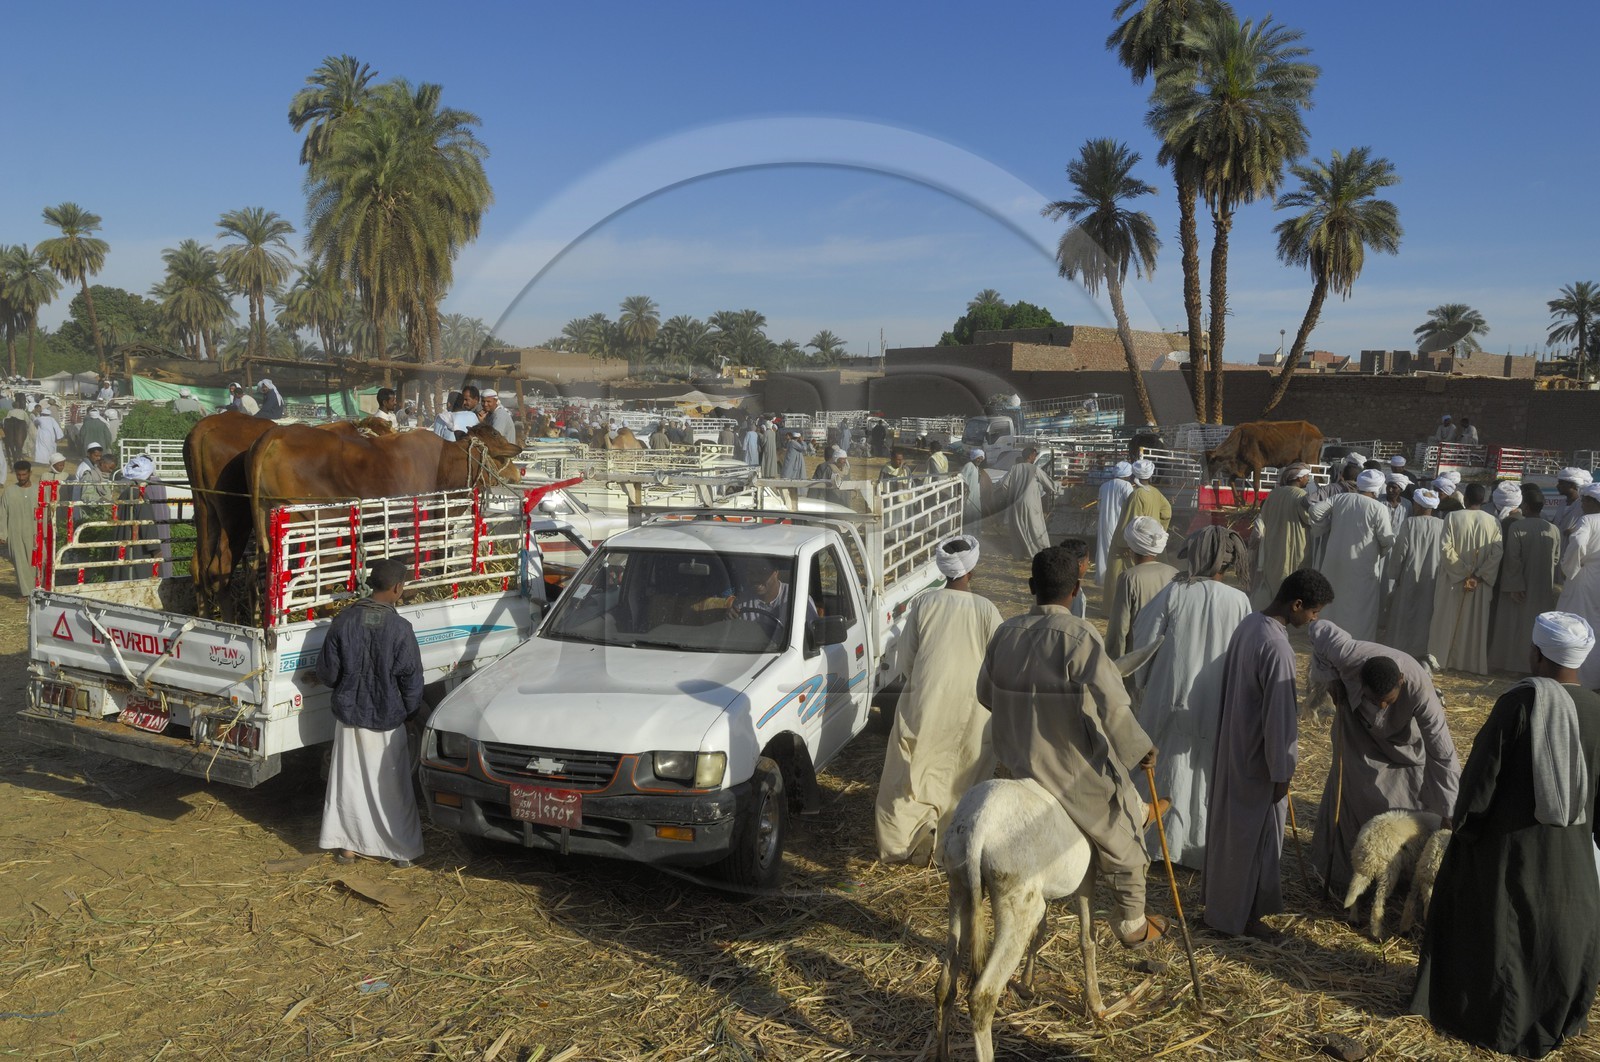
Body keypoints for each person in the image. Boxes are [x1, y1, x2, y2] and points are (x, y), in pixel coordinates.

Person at [1410, 612, 1600, 1059]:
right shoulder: (1597, 709)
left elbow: (1480, 782)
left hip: (1507, 849)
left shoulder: (1519, 703)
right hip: (1573, 853)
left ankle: (1487, 1015)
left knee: (1483, 914)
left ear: (1535, 652)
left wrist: (1465, 828)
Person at [978, 545, 1169, 948]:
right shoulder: (1079, 635)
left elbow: (984, 695)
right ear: (1078, 589)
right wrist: (1141, 749)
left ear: (1031, 587)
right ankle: (1131, 922)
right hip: (1064, 769)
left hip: (1013, 761)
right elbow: (1113, 707)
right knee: (1125, 837)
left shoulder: (1004, 633)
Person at [1203, 568, 1335, 941]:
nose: (1314, 619)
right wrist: (1282, 771)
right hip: (1259, 760)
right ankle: (1242, 919)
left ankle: (1226, 908)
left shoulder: (1249, 625)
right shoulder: (1278, 648)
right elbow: (1280, 721)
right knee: (1255, 839)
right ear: (1296, 604)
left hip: (1234, 745)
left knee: (1234, 833)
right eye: (1313, 611)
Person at [1127, 526, 1253, 869]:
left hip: (1171, 694)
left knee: (1165, 763)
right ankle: (1198, 848)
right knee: (1205, 768)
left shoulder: (1176, 592)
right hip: (1217, 701)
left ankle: (1155, 844)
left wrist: (1143, 680)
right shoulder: (1240, 601)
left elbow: (1144, 635)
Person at [1306, 622, 1460, 898]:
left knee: (1406, 801)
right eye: (1375, 699)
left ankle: (1400, 877)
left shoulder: (1421, 691)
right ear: (1361, 681)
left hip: (1403, 742)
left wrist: (1449, 811)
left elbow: (1442, 752)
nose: (1381, 707)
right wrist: (1331, 678)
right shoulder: (1347, 654)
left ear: (1401, 681)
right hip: (1356, 729)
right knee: (1358, 792)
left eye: (1388, 700)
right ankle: (1349, 875)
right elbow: (1318, 629)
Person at [875, 535, 1003, 865]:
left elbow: (907, 659)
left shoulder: (925, 603)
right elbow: (999, 661)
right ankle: (951, 844)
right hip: (973, 706)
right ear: (972, 569)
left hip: (926, 699)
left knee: (912, 770)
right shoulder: (987, 609)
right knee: (965, 771)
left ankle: (904, 842)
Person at [318, 558, 425, 868]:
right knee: (393, 789)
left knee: (348, 784)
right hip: (388, 720)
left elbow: (327, 673)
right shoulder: (401, 628)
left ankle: (348, 849)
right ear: (396, 588)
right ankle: (399, 851)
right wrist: (410, 712)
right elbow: (412, 680)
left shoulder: (343, 621)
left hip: (349, 718)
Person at [1426, 482, 1503, 675]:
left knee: (1446, 619)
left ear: (1465, 499)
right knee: (1475, 622)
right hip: (1480, 582)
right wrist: (1478, 574)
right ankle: (1470, 664)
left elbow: (1445, 549)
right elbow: (1497, 553)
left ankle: (1441, 660)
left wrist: (1464, 571)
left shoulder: (1452, 517)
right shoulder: (1493, 521)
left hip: (1454, 579)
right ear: (1484, 500)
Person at [1311, 468, 1394, 641]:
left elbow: (1315, 511)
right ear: (1377, 488)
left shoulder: (1340, 498)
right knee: (1361, 605)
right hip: (1362, 564)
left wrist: (1326, 526)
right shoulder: (1378, 508)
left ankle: (1327, 638)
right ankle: (1355, 642)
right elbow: (1386, 540)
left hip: (1334, 560)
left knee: (1334, 600)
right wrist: (1380, 552)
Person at [1487, 485, 1562, 674]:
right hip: (1542, 587)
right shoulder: (1553, 529)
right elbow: (1555, 559)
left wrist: (1514, 586)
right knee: (1533, 628)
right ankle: (1532, 666)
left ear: (1526, 506)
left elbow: (1513, 559)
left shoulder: (1517, 526)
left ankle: (1512, 666)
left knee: (1513, 626)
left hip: (1519, 587)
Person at [1381, 487, 1446, 662]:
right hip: (1433, 576)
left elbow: (1400, 551)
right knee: (1426, 613)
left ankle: (1402, 647)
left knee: (1405, 611)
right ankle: (1422, 650)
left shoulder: (1409, 523)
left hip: (1410, 574)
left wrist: (1394, 573)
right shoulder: (1443, 525)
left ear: (1417, 504)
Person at [1105, 516, 1177, 659]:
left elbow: (1119, 628)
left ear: (1131, 546)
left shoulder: (1129, 577)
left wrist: (1115, 667)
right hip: (1166, 657)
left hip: (1136, 658)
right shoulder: (1175, 574)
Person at [1103, 459, 1171, 598]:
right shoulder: (1155, 492)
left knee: (1118, 573)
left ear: (1134, 475)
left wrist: (1124, 545)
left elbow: (1132, 520)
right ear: (1150, 475)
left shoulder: (1137, 494)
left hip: (1135, 545)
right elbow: (1167, 512)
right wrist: (1159, 532)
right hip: (1152, 543)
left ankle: (1114, 609)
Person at [1251, 463, 1313, 609]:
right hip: (1295, 545)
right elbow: (1309, 518)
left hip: (1273, 545)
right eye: (1306, 477)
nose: (1307, 480)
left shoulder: (1274, 493)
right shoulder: (1301, 495)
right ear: (1299, 478)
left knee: (1273, 578)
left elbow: (1264, 517)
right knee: (1293, 578)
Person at [1557, 483, 1600, 689]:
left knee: (1578, 626)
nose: (1582, 503)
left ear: (1594, 502)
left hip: (1585, 579)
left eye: (1585, 500)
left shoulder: (1588, 521)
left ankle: (1578, 678)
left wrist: (1569, 569)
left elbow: (1578, 544)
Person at [728, 554, 814, 646]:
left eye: (762, 572)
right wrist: (730, 620)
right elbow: (736, 639)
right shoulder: (742, 601)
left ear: (776, 572)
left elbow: (812, 638)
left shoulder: (798, 599)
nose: (755, 578)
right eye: (751, 573)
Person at [997, 447, 1060, 560]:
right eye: (1034, 455)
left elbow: (1005, 485)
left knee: (1018, 528)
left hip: (1016, 503)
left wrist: (1011, 495)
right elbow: (1050, 484)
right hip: (1031, 504)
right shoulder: (1034, 469)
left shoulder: (1014, 468)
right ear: (1030, 456)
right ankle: (1040, 553)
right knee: (1036, 528)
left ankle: (1019, 554)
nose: (1035, 457)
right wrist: (1059, 485)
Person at [1095, 461, 1136, 589]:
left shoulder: (1104, 486)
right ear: (1128, 474)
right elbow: (1130, 505)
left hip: (1104, 521)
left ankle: (1102, 578)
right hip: (1119, 522)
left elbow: (1098, 506)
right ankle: (1114, 578)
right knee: (1117, 550)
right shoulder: (1126, 486)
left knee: (1103, 548)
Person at [0, 460, 38, 594]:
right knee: (20, 563)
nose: (21, 478)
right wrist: (2, 534)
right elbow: (3, 513)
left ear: (30, 473)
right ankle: (26, 592)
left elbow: (46, 513)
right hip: (15, 532)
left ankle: (36, 591)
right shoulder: (10, 491)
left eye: (24, 475)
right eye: (18, 475)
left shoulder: (38, 490)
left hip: (34, 533)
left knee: (34, 564)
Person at [1553, 467, 1592, 539]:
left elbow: (1592, 527)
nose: (1557, 486)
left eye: (1561, 483)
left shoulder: (1584, 505)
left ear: (1573, 485)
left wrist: (1575, 531)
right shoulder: (1562, 503)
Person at [958, 448, 984, 534]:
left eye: (981, 458)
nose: (979, 460)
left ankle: (975, 533)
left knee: (976, 515)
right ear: (974, 457)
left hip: (976, 497)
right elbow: (961, 477)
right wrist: (965, 487)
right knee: (969, 516)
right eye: (978, 458)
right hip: (969, 497)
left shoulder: (976, 467)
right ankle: (968, 534)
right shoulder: (969, 465)